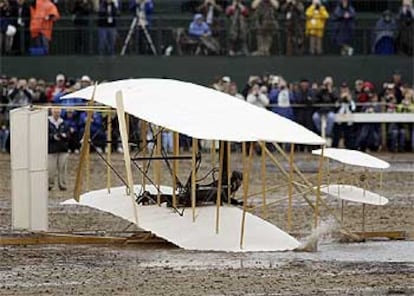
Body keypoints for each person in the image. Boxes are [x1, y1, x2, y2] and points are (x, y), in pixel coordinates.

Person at [48, 108, 69, 191]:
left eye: (58, 112)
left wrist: (64, 136)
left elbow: (69, 134)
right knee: (50, 169)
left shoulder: (64, 123)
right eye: (55, 112)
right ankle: (50, 184)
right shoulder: (47, 122)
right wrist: (53, 137)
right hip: (51, 149)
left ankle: (62, 184)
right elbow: (45, 134)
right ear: (52, 112)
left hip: (63, 148)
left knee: (63, 168)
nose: (57, 113)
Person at [312, 76, 338, 144]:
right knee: (315, 117)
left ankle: (327, 134)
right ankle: (321, 132)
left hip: (330, 111)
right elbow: (315, 99)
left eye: (329, 83)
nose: (327, 84)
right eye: (326, 83)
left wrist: (330, 91)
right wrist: (321, 90)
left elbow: (335, 99)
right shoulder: (320, 91)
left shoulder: (334, 90)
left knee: (331, 117)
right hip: (320, 110)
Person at [332, 82, 356, 148]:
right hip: (339, 119)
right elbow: (335, 106)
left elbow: (354, 108)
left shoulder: (352, 97)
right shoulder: (337, 96)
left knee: (349, 134)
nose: (344, 90)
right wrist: (340, 99)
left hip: (349, 119)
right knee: (337, 134)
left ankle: (349, 147)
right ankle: (334, 147)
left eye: (345, 88)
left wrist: (350, 100)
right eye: (343, 88)